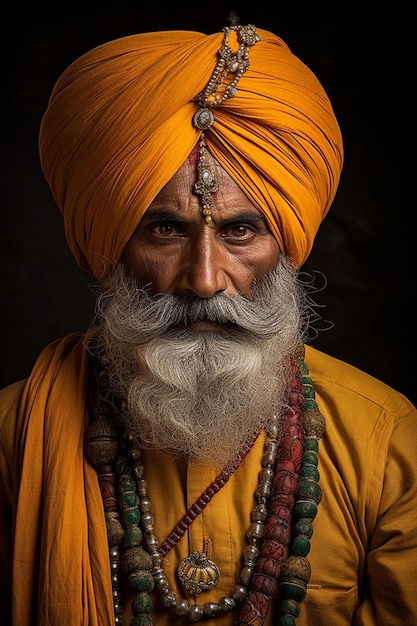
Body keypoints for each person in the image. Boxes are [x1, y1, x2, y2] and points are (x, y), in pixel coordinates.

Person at [0, 22, 416, 626]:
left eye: (240, 231)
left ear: (287, 247)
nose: (203, 279)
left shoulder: (386, 443)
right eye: (165, 229)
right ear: (112, 245)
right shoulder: (15, 438)